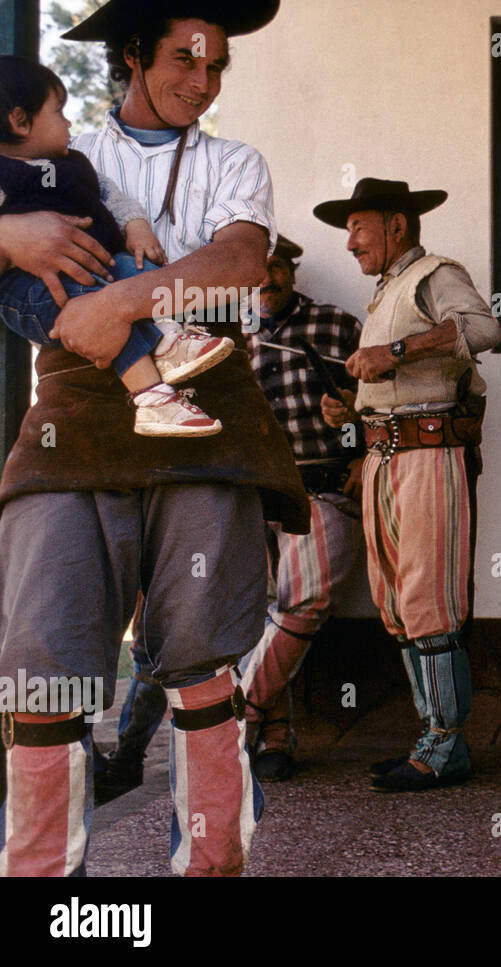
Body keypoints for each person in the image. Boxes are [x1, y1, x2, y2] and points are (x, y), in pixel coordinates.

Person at [0, 0, 308, 877]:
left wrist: (119, 303)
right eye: (183, 60)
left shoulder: (234, 160)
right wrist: (8, 232)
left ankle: (207, 871)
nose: (200, 83)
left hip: (206, 417)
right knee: (40, 667)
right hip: (74, 423)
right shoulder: (54, 151)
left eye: (215, 68)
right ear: (133, 55)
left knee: (206, 662)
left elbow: (241, 264)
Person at [316, 178, 499, 792]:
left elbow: (484, 327)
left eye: (358, 227)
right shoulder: (388, 290)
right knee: (394, 601)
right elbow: (394, 380)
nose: (350, 243)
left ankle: (446, 745)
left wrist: (393, 351)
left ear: (397, 225)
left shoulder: (435, 273)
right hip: (383, 456)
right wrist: (351, 405)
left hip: (426, 454)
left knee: (429, 596)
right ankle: (431, 735)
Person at [0, 54, 230, 435]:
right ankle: (152, 398)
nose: (69, 123)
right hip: (40, 293)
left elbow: (115, 198)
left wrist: (137, 227)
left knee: (135, 269)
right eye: (59, 112)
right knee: (99, 313)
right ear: (20, 121)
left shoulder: (74, 163)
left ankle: (170, 339)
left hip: (100, 268)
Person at [237, 235, 365, 780]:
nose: (268, 280)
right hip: (249, 492)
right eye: (257, 272)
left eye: (277, 268)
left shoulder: (335, 324)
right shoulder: (231, 336)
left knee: (307, 599)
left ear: (291, 270)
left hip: (320, 485)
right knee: (257, 614)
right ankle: (276, 737)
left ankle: (236, 712)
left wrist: (360, 445)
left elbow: (374, 398)